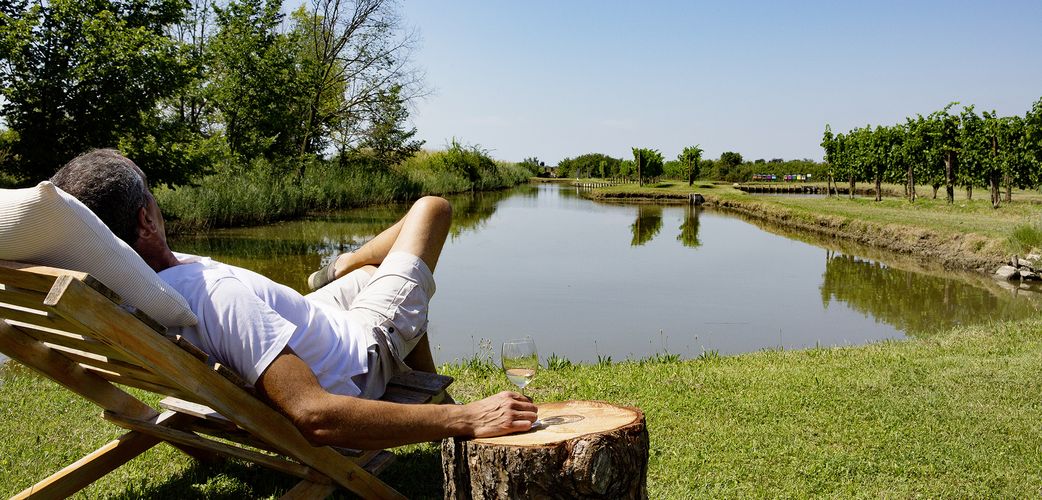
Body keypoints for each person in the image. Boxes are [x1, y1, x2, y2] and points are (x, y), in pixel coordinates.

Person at [50, 149, 538, 450]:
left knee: (375, 276)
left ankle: (353, 271)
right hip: (360, 354)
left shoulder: (121, 288)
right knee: (431, 209)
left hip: (316, 318)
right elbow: (315, 414)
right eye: (153, 197)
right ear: (145, 220)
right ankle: (352, 269)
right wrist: (463, 420)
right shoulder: (217, 298)